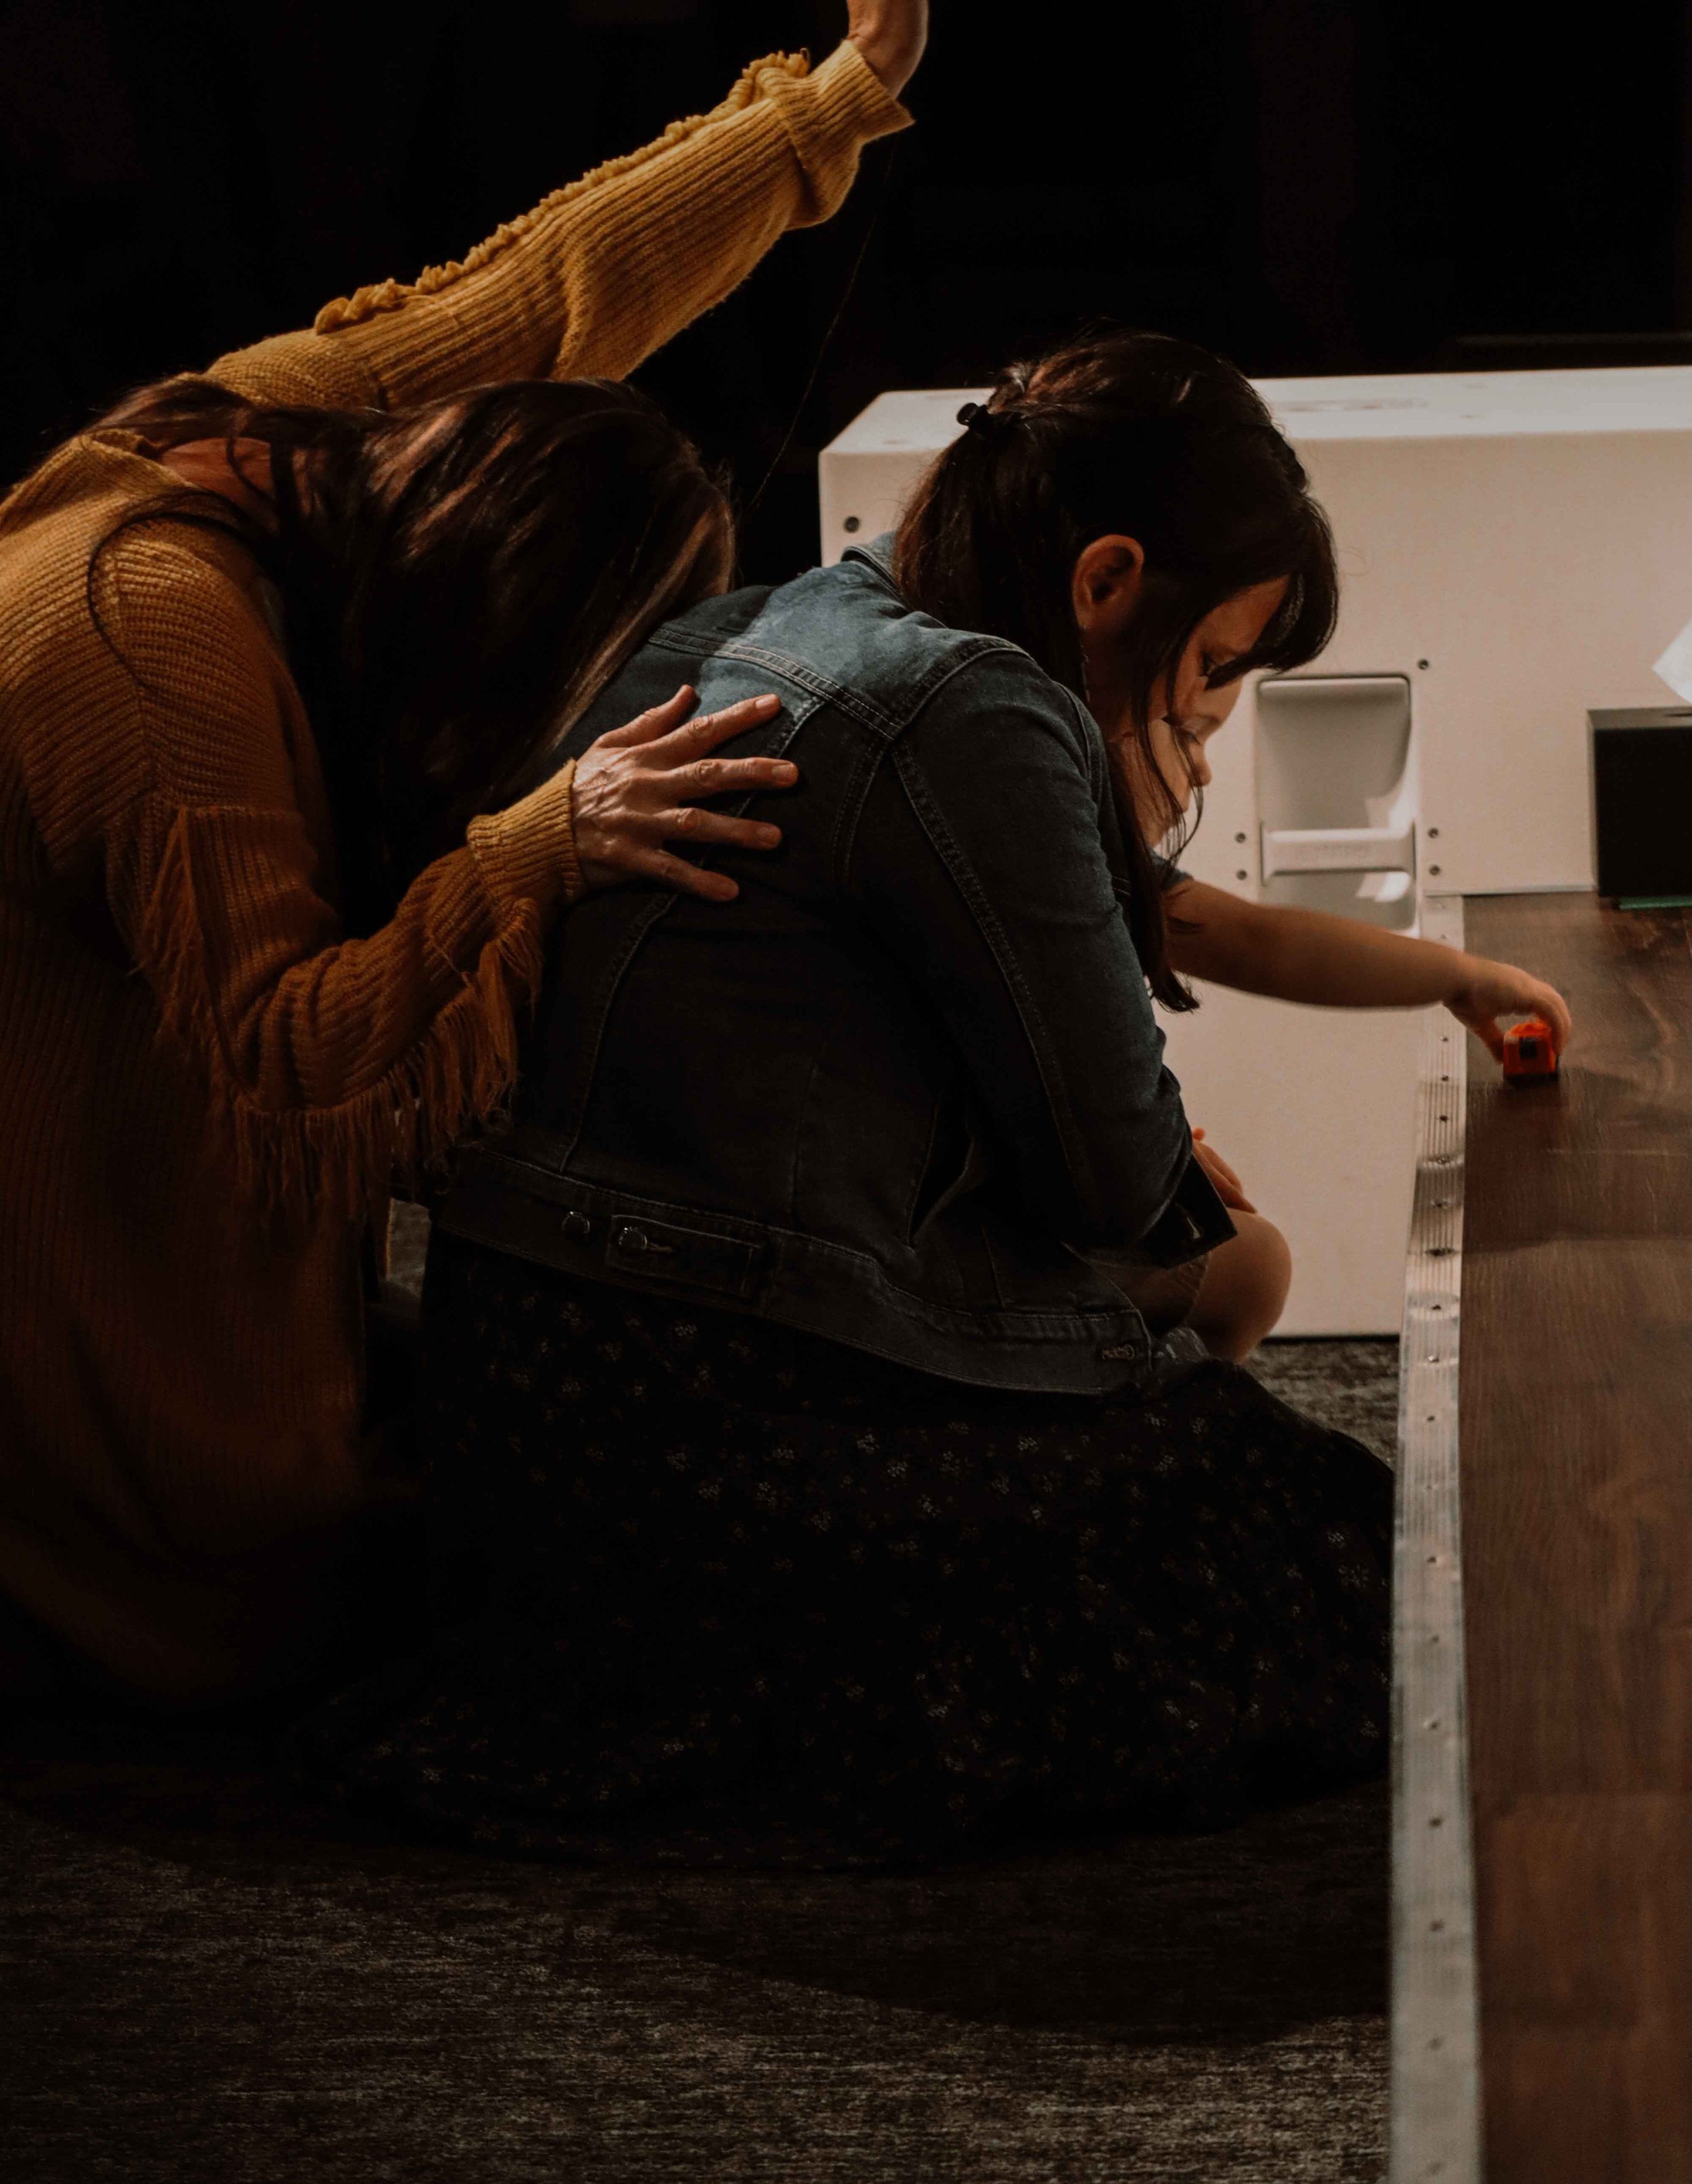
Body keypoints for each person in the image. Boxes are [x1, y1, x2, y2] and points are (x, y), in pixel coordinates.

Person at [303, 326, 1569, 1871]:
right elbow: (1113, 1171)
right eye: (1217, 666)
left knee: (1228, 1315)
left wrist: (1421, 980)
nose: (1217, 711)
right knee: (1335, 1547)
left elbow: (1113, 968)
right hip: (715, 1393)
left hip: (516, 1368)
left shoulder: (751, 623)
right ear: (1107, 580)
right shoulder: (977, 710)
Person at [0, 4, 926, 1705]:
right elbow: (281, 1052)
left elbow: (546, 295)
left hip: (178, 1210)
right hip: (105, 1267)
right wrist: (530, 845)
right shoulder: (150, 633)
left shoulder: (305, 448)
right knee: (403, 1596)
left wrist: (833, 104)